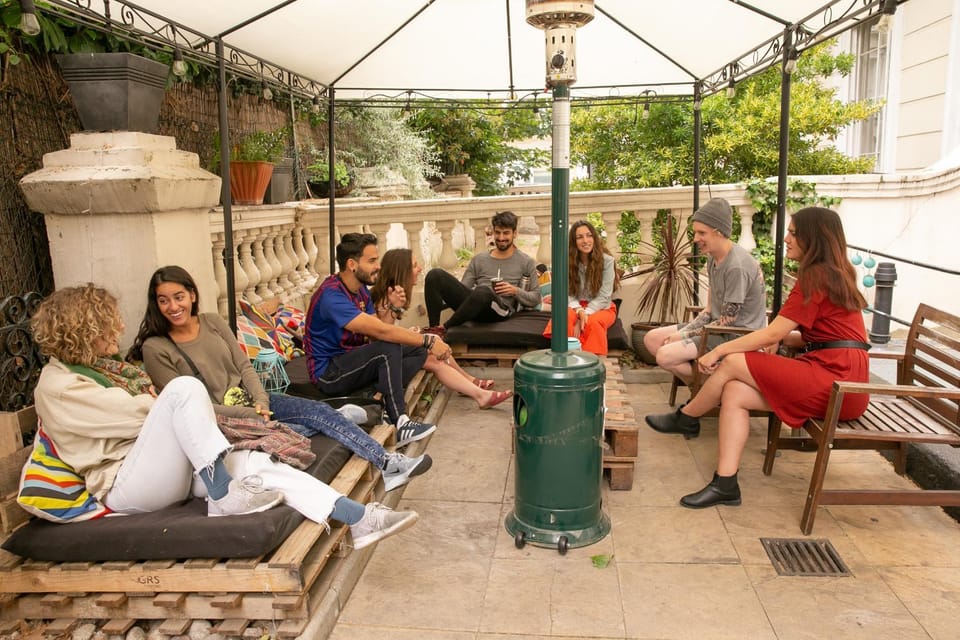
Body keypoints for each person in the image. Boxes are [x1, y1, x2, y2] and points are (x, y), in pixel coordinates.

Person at [31, 284, 417, 550]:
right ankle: (222, 495)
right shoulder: (59, 386)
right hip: (127, 484)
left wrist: (187, 418)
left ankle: (358, 519)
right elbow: (144, 417)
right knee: (184, 390)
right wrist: (182, 412)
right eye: (109, 321)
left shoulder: (106, 369)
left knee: (252, 462)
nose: (119, 326)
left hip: (168, 464)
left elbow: (159, 417)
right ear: (85, 329)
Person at [127, 266, 433, 493]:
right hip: (221, 421)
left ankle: (388, 464)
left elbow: (244, 366)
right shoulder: (157, 348)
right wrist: (252, 413)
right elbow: (193, 408)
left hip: (256, 401)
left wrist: (260, 401)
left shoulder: (212, 322)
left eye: (179, 297)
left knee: (320, 412)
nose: (173, 307)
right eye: (164, 301)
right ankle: (373, 448)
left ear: (192, 295)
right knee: (307, 423)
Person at [644, 207, 870, 509]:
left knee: (733, 361)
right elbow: (819, 334)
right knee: (736, 392)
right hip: (838, 375)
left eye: (792, 232)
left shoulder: (817, 275)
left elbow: (770, 333)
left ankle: (688, 417)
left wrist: (722, 349)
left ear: (812, 237)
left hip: (840, 383)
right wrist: (781, 338)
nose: (786, 238)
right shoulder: (829, 273)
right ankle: (725, 484)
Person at [304, 233, 451, 444]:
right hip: (328, 374)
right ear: (352, 264)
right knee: (391, 347)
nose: (378, 267)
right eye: (372, 261)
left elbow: (376, 331)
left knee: (415, 349)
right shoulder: (331, 296)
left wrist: (394, 311)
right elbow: (381, 334)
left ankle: (377, 396)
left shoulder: (360, 289)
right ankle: (400, 422)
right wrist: (428, 339)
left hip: (352, 363)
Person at [643, 198, 767, 384]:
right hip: (714, 329)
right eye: (695, 233)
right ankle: (707, 387)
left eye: (702, 233)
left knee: (665, 355)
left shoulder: (737, 267)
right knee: (652, 339)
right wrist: (684, 332)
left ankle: (709, 390)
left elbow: (728, 321)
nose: (695, 239)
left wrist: (683, 335)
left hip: (736, 335)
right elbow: (709, 310)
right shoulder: (713, 258)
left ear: (719, 232)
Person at [371, 248, 513, 409]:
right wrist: (409, 330)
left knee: (432, 346)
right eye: (415, 266)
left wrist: (410, 333)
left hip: (390, 355)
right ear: (402, 271)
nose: (419, 269)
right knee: (431, 350)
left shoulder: (395, 294)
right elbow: (381, 335)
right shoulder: (384, 299)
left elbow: (388, 332)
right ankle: (476, 389)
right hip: (381, 362)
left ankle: (475, 388)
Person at [423, 210, 541, 337]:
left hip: (500, 310)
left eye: (506, 233)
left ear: (515, 234)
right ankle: (433, 330)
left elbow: (535, 298)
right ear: (492, 232)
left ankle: (444, 328)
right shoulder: (479, 259)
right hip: (475, 306)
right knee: (435, 274)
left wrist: (515, 291)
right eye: (497, 233)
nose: (501, 238)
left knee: (483, 291)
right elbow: (464, 288)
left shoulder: (526, 262)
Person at [542, 220, 620, 355]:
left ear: (594, 238)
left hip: (601, 307)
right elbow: (565, 292)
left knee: (593, 323)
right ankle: (564, 357)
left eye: (589, 235)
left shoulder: (607, 261)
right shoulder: (567, 261)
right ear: (573, 241)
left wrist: (586, 313)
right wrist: (579, 311)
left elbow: (605, 296)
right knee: (564, 317)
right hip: (574, 305)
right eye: (579, 237)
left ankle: (592, 363)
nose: (585, 240)